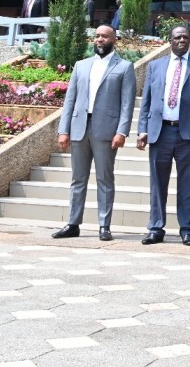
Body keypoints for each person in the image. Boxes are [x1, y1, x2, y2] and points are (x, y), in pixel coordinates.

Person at [52, 25, 137, 241]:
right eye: (97, 36)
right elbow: (69, 100)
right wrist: (64, 130)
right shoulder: (81, 66)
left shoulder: (125, 67)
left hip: (106, 131)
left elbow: (127, 104)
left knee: (104, 179)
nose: (99, 39)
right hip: (79, 128)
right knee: (77, 179)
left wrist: (122, 132)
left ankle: (104, 225)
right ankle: (73, 223)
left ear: (114, 40)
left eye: (104, 36)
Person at [136, 26, 190, 246]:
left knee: (189, 183)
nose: (181, 40)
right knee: (157, 182)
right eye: (177, 37)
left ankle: (187, 229)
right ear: (170, 41)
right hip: (160, 132)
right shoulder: (155, 66)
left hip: (188, 133)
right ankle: (156, 227)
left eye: (185, 37)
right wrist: (143, 129)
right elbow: (147, 101)